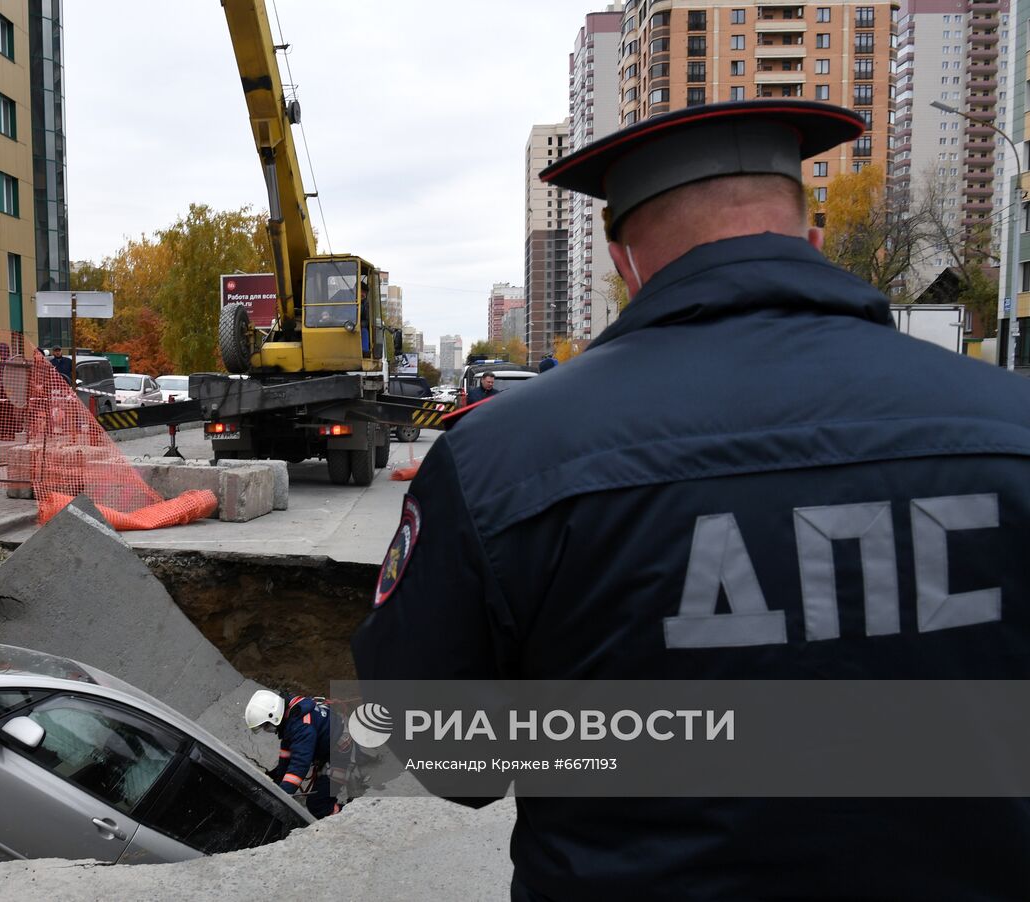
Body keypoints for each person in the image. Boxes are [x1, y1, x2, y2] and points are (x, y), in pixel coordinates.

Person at [351, 100, 1030, 901]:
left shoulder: (503, 459)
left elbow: (446, 754)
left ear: (625, 261)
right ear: (811, 240)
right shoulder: (1008, 426)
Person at [244, 689, 341, 819]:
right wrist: (278, 783)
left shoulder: (302, 727)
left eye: (266, 726)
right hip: (328, 746)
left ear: (274, 716)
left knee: (317, 805)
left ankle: (347, 813)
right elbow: (287, 755)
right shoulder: (290, 716)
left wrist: (281, 797)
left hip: (341, 755)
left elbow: (299, 765)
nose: (266, 730)